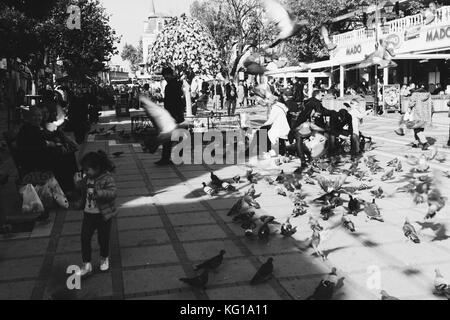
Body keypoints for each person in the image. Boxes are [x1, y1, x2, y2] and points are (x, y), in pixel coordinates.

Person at [75, 150, 117, 277]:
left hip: (103, 215)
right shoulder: (87, 178)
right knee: (84, 238)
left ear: (97, 168)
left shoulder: (107, 178)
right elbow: (81, 189)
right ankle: (86, 263)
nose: (85, 173)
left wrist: (99, 193)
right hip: (88, 215)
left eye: (87, 170)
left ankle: (104, 257)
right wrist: (77, 182)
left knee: (103, 238)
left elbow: (113, 193)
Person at [155, 66, 185, 166]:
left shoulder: (172, 85)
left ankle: (168, 158)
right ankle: (172, 158)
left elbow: (175, 102)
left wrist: (175, 115)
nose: (165, 77)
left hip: (173, 115)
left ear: (170, 74)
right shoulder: (174, 84)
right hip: (173, 114)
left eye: (166, 75)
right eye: (164, 76)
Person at [257, 90, 290, 156]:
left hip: (280, 128)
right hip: (283, 126)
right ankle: (268, 149)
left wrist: (261, 125)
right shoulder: (282, 106)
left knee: (262, 130)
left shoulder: (276, 108)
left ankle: (265, 149)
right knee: (264, 129)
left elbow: (270, 120)